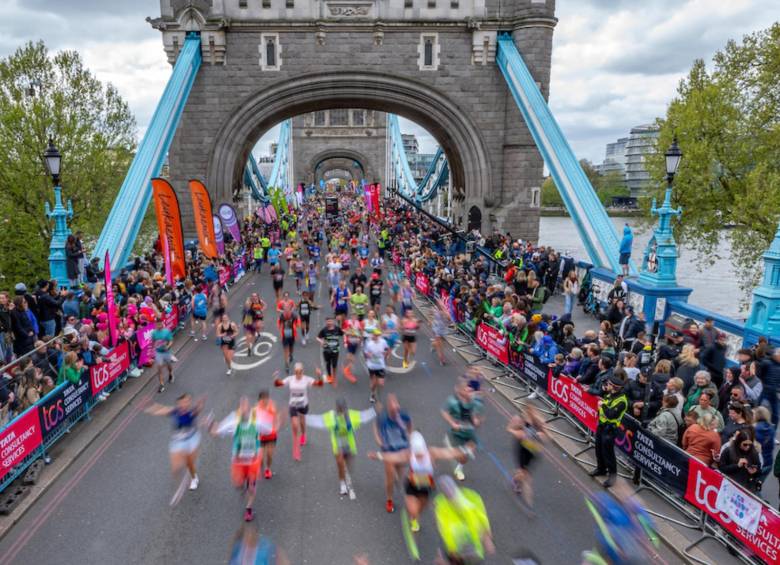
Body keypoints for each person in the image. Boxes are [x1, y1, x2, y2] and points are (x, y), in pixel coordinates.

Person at [210, 396, 273, 521]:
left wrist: (273, 422)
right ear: (239, 408)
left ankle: (248, 509)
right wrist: (209, 425)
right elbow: (218, 432)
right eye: (241, 406)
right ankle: (242, 486)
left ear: (249, 408)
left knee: (251, 486)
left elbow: (268, 429)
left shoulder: (256, 421)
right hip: (238, 461)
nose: (244, 408)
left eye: (246, 406)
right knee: (238, 484)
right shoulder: (234, 422)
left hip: (252, 461)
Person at [305, 398, 376, 497]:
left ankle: (346, 470)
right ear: (337, 409)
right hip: (338, 444)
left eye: (343, 409)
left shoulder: (352, 415)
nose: (341, 411)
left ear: (345, 409)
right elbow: (318, 420)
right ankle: (342, 484)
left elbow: (363, 416)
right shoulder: (331, 417)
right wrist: (304, 418)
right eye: (339, 409)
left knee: (349, 465)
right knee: (340, 463)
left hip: (350, 443)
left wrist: (375, 411)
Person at [145, 393, 205, 503]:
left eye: (188, 401)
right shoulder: (175, 411)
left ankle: (193, 477)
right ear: (179, 403)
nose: (186, 403)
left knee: (189, 463)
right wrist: (150, 407)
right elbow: (161, 409)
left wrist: (200, 404)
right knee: (175, 468)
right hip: (178, 441)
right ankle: (180, 487)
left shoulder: (191, 412)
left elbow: (199, 410)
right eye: (184, 401)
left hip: (191, 439)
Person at [432, 475, 494, 565]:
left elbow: (482, 517)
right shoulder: (441, 504)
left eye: (451, 491)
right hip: (456, 548)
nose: (450, 496)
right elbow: (444, 527)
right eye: (446, 493)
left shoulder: (472, 497)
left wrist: (487, 537)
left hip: (473, 547)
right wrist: (451, 549)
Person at [372, 394, 413, 513]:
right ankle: (389, 500)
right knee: (389, 477)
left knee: (399, 473)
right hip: (388, 449)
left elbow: (410, 425)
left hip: (402, 449)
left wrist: (409, 437)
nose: (396, 410)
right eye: (393, 408)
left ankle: (397, 479)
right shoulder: (383, 417)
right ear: (389, 408)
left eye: (397, 407)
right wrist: (379, 441)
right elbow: (375, 426)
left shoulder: (404, 415)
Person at [274, 364, 323, 461]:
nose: (298, 374)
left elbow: (320, 384)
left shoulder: (306, 379)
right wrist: (276, 378)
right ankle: (296, 445)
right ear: (294, 372)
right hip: (293, 405)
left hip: (303, 405)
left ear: (303, 371)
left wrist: (319, 375)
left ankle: (303, 435)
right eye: (297, 372)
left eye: (300, 372)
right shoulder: (290, 379)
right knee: (295, 425)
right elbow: (278, 384)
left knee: (302, 422)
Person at [441, 377, 484, 481]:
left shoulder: (475, 402)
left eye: (469, 389)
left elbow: (478, 417)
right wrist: (452, 423)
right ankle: (452, 448)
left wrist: (477, 421)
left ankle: (459, 469)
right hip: (456, 433)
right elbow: (444, 412)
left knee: (465, 457)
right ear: (459, 391)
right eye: (466, 389)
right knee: (460, 455)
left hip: (469, 432)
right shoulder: (452, 401)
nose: (469, 391)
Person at [590, 373, 628, 487]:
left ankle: (612, 477)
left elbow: (611, 415)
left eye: (609, 384)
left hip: (610, 429)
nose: (607, 385)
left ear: (615, 387)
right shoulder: (610, 394)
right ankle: (601, 469)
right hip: (602, 426)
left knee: (608, 453)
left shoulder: (622, 401)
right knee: (598, 449)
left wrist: (602, 406)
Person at [507, 405, 547, 508]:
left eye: (533, 410)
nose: (532, 412)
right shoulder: (520, 419)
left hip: (533, 451)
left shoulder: (538, 421)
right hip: (522, 448)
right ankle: (529, 504)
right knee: (527, 477)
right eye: (529, 410)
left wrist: (542, 435)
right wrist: (518, 433)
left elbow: (546, 435)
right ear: (526, 410)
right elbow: (509, 429)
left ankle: (515, 480)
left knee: (523, 474)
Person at [257, 389, 282, 479]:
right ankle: (261, 467)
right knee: (260, 457)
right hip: (260, 437)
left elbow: (277, 419)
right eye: (263, 399)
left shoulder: (272, 408)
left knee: (269, 455)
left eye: (266, 399)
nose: (265, 401)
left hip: (271, 435)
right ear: (259, 400)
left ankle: (267, 469)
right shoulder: (256, 410)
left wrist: (278, 426)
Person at [317, 317, 344, 385]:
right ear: (326, 322)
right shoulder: (324, 330)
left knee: (334, 364)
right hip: (327, 350)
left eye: (330, 321)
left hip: (335, 350)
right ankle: (329, 376)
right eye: (328, 321)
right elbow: (317, 337)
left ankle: (334, 377)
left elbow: (343, 333)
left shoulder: (337, 329)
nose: (329, 323)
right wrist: (321, 341)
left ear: (333, 322)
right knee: (328, 363)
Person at [151, 317, 175, 392]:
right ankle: (161, 384)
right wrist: (152, 350)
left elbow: (171, 341)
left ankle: (171, 374)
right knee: (159, 367)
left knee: (169, 366)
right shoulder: (154, 333)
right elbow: (153, 342)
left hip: (166, 352)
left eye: (159, 324)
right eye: (157, 324)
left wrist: (168, 346)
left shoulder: (167, 332)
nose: (158, 325)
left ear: (162, 323)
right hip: (158, 352)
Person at [277, 307, 300, 373]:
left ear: (290, 311)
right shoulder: (282, 316)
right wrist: (280, 328)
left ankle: (291, 354)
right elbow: (279, 324)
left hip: (292, 335)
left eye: (288, 311)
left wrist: (296, 325)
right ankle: (286, 365)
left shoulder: (294, 316)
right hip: (285, 336)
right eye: (285, 312)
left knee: (291, 348)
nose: (286, 313)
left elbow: (298, 323)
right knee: (286, 351)